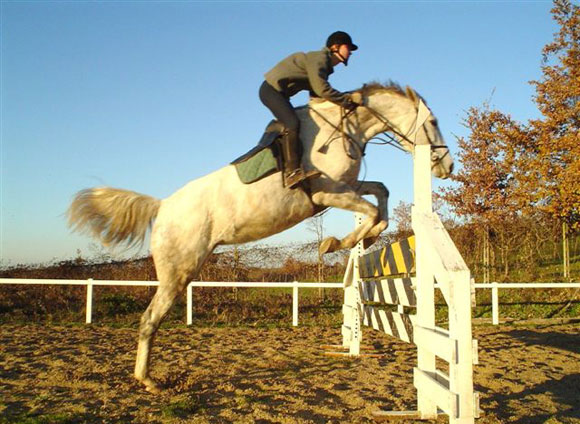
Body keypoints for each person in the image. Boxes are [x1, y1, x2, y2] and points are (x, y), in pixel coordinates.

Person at [260, 31, 361, 188]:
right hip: (270, 91)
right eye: (348, 48)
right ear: (335, 47)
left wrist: (344, 101)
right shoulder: (319, 59)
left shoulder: (324, 67)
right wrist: (347, 101)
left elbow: (317, 97)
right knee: (292, 123)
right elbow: (322, 90)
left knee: (304, 120)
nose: (351, 52)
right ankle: (292, 173)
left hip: (280, 94)